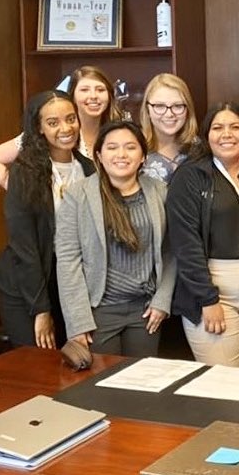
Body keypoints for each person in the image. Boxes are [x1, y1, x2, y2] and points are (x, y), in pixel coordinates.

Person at [167, 102, 239, 368]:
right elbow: (186, 244)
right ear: (207, 136)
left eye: (235, 127)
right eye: (217, 128)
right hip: (216, 295)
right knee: (224, 381)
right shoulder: (190, 177)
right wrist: (208, 299)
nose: (226, 134)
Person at [55, 120, 174, 357]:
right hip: (98, 313)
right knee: (100, 386)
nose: (121, 154)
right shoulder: (78, 195)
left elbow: (171, 252)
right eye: (112, 147)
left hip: (146, 311)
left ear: (143, 156)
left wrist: (162, 300)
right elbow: (68, 260)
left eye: (130, 147)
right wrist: (77, 321)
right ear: (99, 155)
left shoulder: (161, 192)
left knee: (142, 385)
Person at [0, 90, 95, 349]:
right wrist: (41, 309)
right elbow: (23, 244)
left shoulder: (89, 169)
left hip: (68, 282)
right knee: (38, 361)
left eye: (71, 119)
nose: (65, 128)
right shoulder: (24, 173)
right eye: (53, 122)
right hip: (26, 286)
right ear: (38, 128)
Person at [0, 65, 121, 188]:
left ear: (109, 95)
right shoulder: (56, 132)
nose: (93, 96)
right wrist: (20, 192)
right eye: (84, 90)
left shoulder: (117, 133)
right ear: (72, 96)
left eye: (100, 90)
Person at [139, 72, 200, 184]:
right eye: (160, 106)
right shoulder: (133, 148)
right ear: (147, 110)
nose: (169, 114)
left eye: (177, 106)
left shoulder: (199, 149)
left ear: (188, 110)